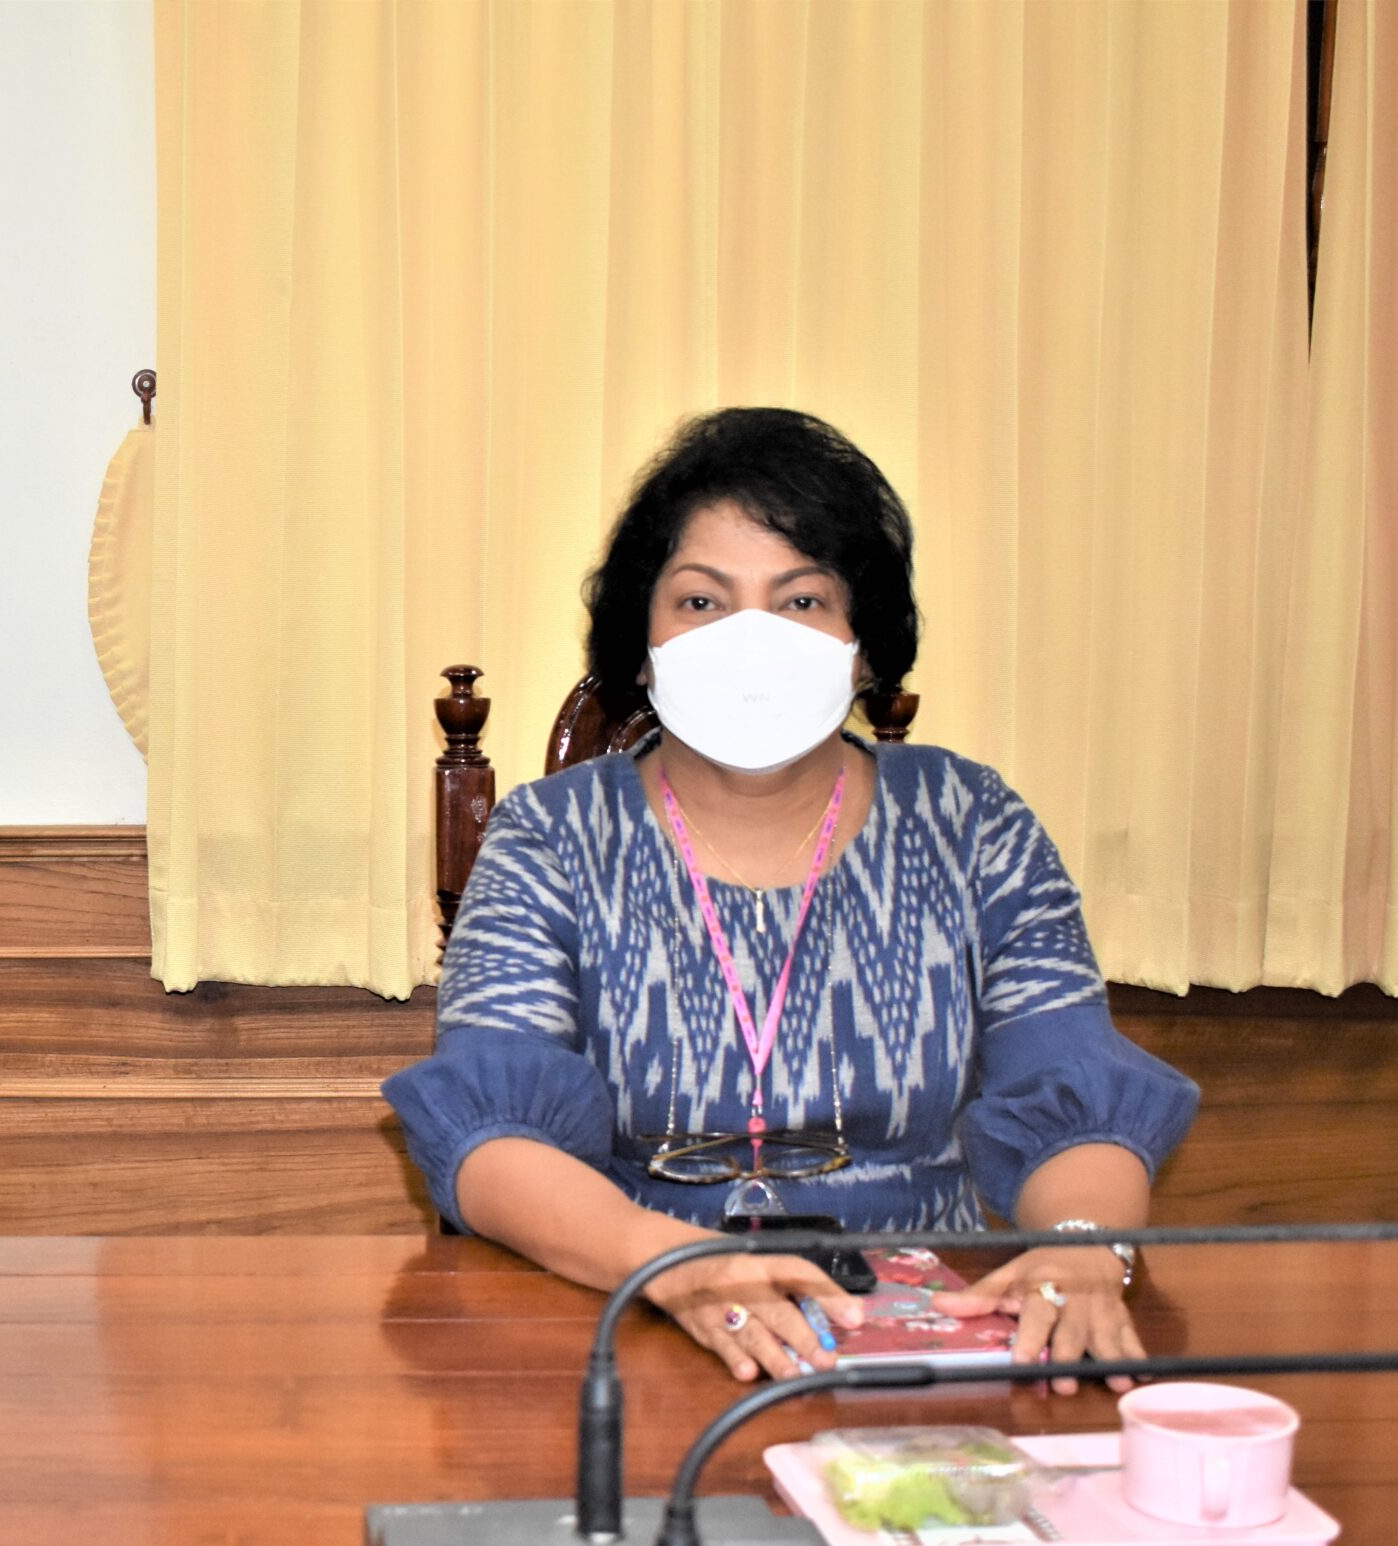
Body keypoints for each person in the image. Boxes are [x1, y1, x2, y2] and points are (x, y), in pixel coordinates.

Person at [385, 408, 1197, 1389]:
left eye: (801, 599)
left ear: (864, 647)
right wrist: (674, 1264)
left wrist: (1080, 1248)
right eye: (702, 601)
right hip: (636, 1323)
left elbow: (1073, 1094)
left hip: (930, 1335)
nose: (751, 642)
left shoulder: (970, 821)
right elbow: (489, 1137)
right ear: (642, 643)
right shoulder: (551, 837)